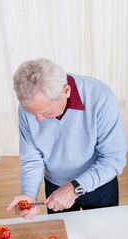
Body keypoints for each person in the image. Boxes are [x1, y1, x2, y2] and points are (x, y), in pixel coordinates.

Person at [7, 58, 127, 218]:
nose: (38, 120)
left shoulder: (100, 97)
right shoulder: (29, 107)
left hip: (100, 184)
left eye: (46, 112)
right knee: (63, 238)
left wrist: (75, 187)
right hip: (55, 187)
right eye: (32, 113)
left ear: (66, 91)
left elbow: (114, 159)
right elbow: (32, 159)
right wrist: (28, 194)